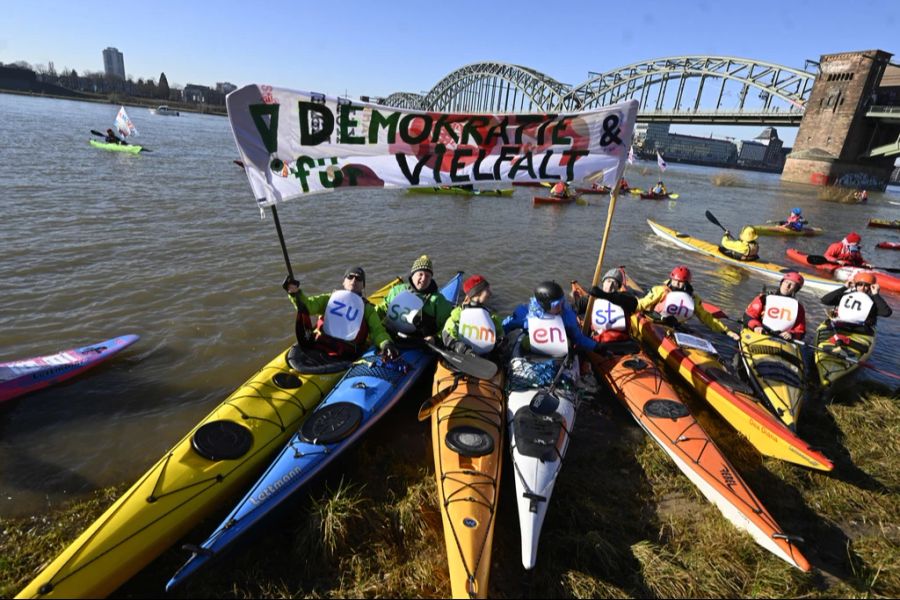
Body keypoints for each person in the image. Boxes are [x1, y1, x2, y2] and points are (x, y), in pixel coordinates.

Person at [283, 266, 398, 361]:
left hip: (347, 354)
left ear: (363, 286)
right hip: (320, 344)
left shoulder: (367, 309)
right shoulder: (329, 298)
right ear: (343, 282)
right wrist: (295, 293)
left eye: (358, 279)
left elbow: (377, 331)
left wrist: (386, 343)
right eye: (350, 277)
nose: (353, 281)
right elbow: (308, 306)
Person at [636, 266, 741, 341]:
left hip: (675, 327)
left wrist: (727, 331)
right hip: (654, 321)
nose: (676, 284)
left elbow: (707, 318)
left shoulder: (693, 299)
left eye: (679, 283)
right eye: (674, 281)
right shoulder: (661, 290)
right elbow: (643, 303)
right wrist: (631, 307)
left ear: (686, 284)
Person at [502, 280, 601, 355]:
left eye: (562, 302)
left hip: (558, 354)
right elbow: (507, 325)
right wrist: (498, 337)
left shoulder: (567, 316)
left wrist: (596, 346)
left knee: (570, 343)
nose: (561, 307)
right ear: (545, 305)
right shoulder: (525, 314)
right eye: (557, 305)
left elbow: (578, 338)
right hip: (532, 351)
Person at [376, 255, 454, 343]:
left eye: (428, 276)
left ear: (431, 279)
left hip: (420, 343)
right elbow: (382, 309)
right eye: (420, 274)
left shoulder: (438, 301)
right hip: (391, 335)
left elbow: (448, 325)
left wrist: (435, 338)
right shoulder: (397, 291)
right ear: (413, 275)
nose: (424, 279)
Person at [442, 274, 505, 358]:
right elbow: (447, 333)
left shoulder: (492, 317)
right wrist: (460, 347)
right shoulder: (458, 315)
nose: (490, 293)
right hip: (462, 356)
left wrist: (500, 342)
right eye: (487, 290)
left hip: (485, 358)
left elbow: (500, 334)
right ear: (477, 293)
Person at [575, 268, 638, 344]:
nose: (610, 285)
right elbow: (574, 308)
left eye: (614, 283)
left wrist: (603, 295)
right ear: (603, 282)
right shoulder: (591, 299)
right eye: (608, 281)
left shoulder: (624, 298)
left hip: (623, 340)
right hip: (599, 341)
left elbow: (634, 303)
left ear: (618, 287)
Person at [742, 271, 807, 341]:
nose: (787, 286)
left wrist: (791, 334)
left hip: (782, 339)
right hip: (760, 332)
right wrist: (756, 326)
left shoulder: (798, 308)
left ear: (796, 289)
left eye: (792, 284)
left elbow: (800, 330)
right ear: (781, 283)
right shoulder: (764, 299)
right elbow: (749, 316)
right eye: (786, 282)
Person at [820, 271, 892, 328]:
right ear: (856, 285)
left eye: (866, 285)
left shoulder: (873, 301)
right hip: (842, 325)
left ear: (870, 287)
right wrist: (844, 287)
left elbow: (886, 313)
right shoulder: (846, 296)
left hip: (861, 329)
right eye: (860, 284)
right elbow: (825, 300)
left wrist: (876, 294)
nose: (862, 288)